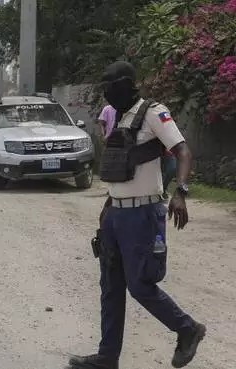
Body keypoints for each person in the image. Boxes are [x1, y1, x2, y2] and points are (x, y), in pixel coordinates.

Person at [69, 61, 206, 369]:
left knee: (141, 285)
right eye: (104, 87)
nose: (107, 93)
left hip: (143, 213)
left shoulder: (154, 113)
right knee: (111, 287)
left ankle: (187, 329)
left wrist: (181, 194)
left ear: (129, 84)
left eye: (112, 86)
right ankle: (107, 356)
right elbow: (119, 172)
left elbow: (183, 151)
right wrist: (106, 214)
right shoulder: (117, 117)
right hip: (116, 215)